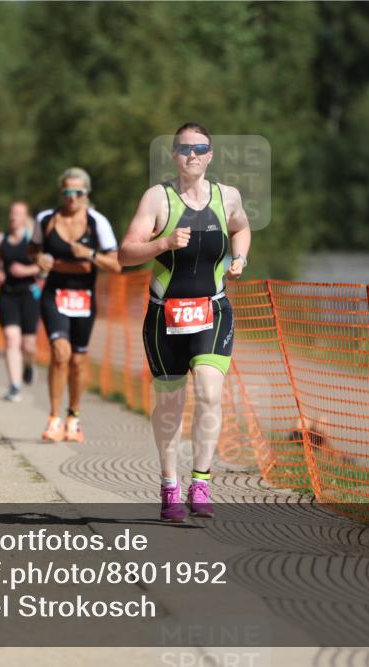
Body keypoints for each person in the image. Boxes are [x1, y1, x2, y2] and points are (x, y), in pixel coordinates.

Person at [118, 122, 251, 522]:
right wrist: (162, 242)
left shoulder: (228, 197)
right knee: (170, 405)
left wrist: (240, 258)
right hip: (166, 316)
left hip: (212, 311)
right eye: (184, 148)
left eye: (200, 148)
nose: (192, 155)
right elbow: (125, 253)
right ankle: (169, 485)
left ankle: (202, 482)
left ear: (211, 155)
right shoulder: (157, 198)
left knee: (210, 393)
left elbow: (241, 228)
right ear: (174, 155)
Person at [31, 168, 121, 442]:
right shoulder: (46, 219)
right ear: (61, 193)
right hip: (54, 294)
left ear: (87, 194)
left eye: (78, 192)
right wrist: (38, 258)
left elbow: (116, 264)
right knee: (60, 353)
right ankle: (54, 419)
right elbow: (33, 248)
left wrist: (90, 254)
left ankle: (74, 417)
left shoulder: (97, 222)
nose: (72, 197)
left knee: (78, 361)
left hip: (84, 297)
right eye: (67, 192)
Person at [0, 201, 40, 402]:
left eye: (18, 214)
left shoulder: (33, 240)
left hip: (29, 294)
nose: (14, 217)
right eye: (12, 213)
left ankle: (28, 365)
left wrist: (26, 271)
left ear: (25, 217)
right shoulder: (0, 240)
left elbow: (44, 265)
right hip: (8, 294)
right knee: (11, 337)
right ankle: (14, 385)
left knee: (28, 345)